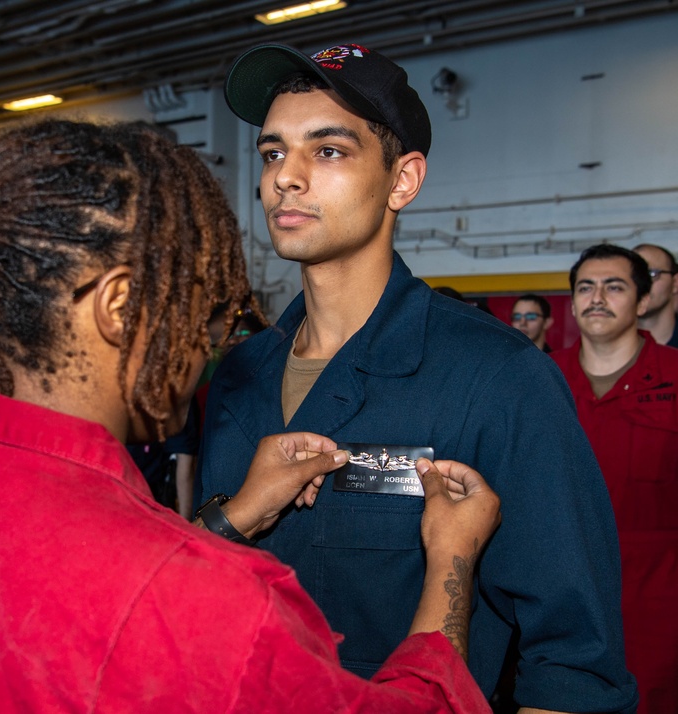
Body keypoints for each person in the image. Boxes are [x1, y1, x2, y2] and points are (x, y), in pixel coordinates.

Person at [0, 119, 502, 712]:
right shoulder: (217, 607)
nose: (205, 347)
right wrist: (451, 557)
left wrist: (229, 518)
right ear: (119, 308)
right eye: (199, 318)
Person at [199, 42, 637, 713]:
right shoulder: (236, 378)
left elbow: (573, 661)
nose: (285, 176)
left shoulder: (497, 378)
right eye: (271, 152)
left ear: (401, 181)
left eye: (328, 150)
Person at [551, 244, 678, 714]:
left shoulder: (675, 378)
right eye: (586, 287)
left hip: (659, 604)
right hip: (560, 600)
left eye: (615, 286)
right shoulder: (541, 381)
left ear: (643, 302)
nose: (597, 297)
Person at [633, 243, 678, 348]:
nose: (641, 283)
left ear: (675, 282)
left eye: (651, 274)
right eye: (633, 276)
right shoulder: (607, 346)